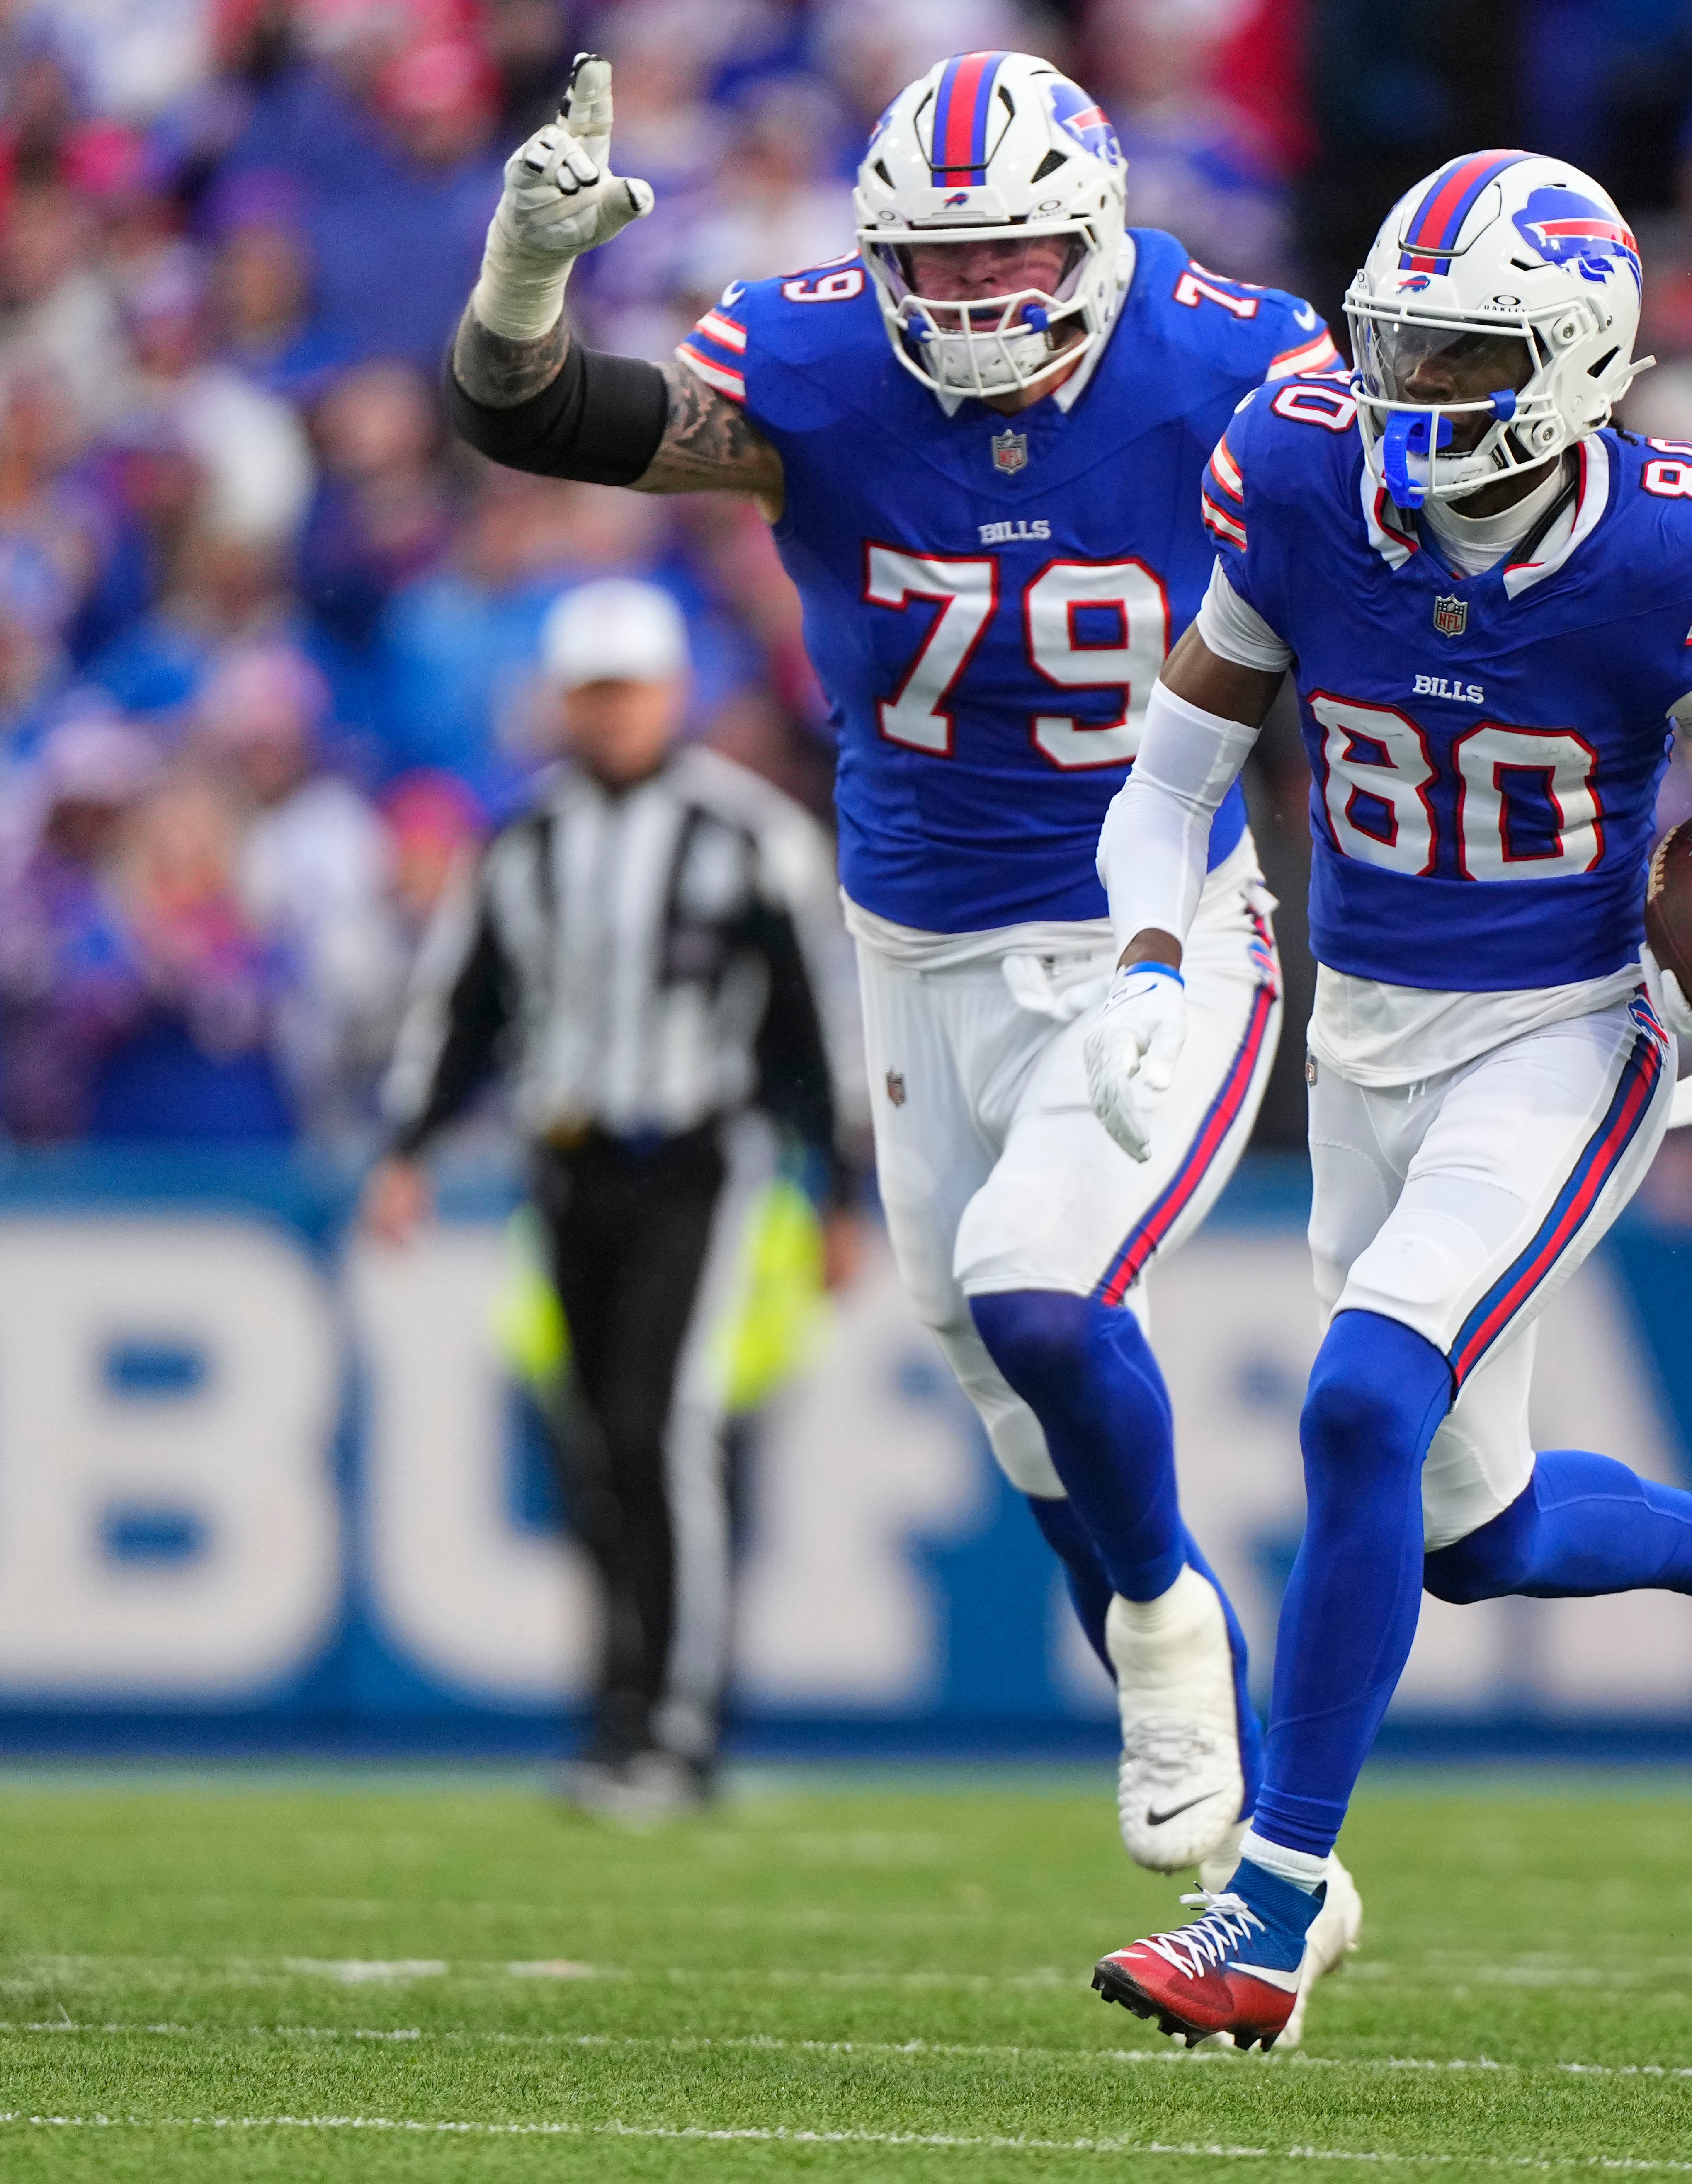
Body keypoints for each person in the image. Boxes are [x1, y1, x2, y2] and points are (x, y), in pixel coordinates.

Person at [436, 53, 1355, 1944]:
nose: (975, 299)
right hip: (910, 946)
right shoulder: (812, 365)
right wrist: (522, 277)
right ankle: (1287, 1868)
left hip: (1150, 926)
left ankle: (1169, 1636)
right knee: (1009, 1390)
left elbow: (1426, 582)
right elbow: (528, 412)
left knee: (1043, 1291)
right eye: (933, 264)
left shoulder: (1243, 368)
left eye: (1013, 250)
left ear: (1095, 234)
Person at [1080, 151, 1692, 2050]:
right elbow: (1173, 769)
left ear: (1575, 363)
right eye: (1396, 347)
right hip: (1362, 1027)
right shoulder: (1300, 476)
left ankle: (1269, 1917)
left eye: (1460, 359)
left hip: (1564, 1027)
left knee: (1362, 1396)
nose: (1409, 397)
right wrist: (1142, 959)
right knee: (1473, 1530)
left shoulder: (1665, 550)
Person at [365, 577, 867, 1815]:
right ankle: (616, 1714)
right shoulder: (521, 841)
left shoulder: (748, 836)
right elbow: (463, 1006)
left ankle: (677, 1731)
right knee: (592, 1444)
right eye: (589, 691)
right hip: (565, 1163)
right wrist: (409, 1148)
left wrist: (845, 1189)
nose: (609, 714)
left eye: (627, 689)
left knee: (664, 1431)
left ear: (671, 692)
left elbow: (820, 1028)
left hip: (704, 1163)